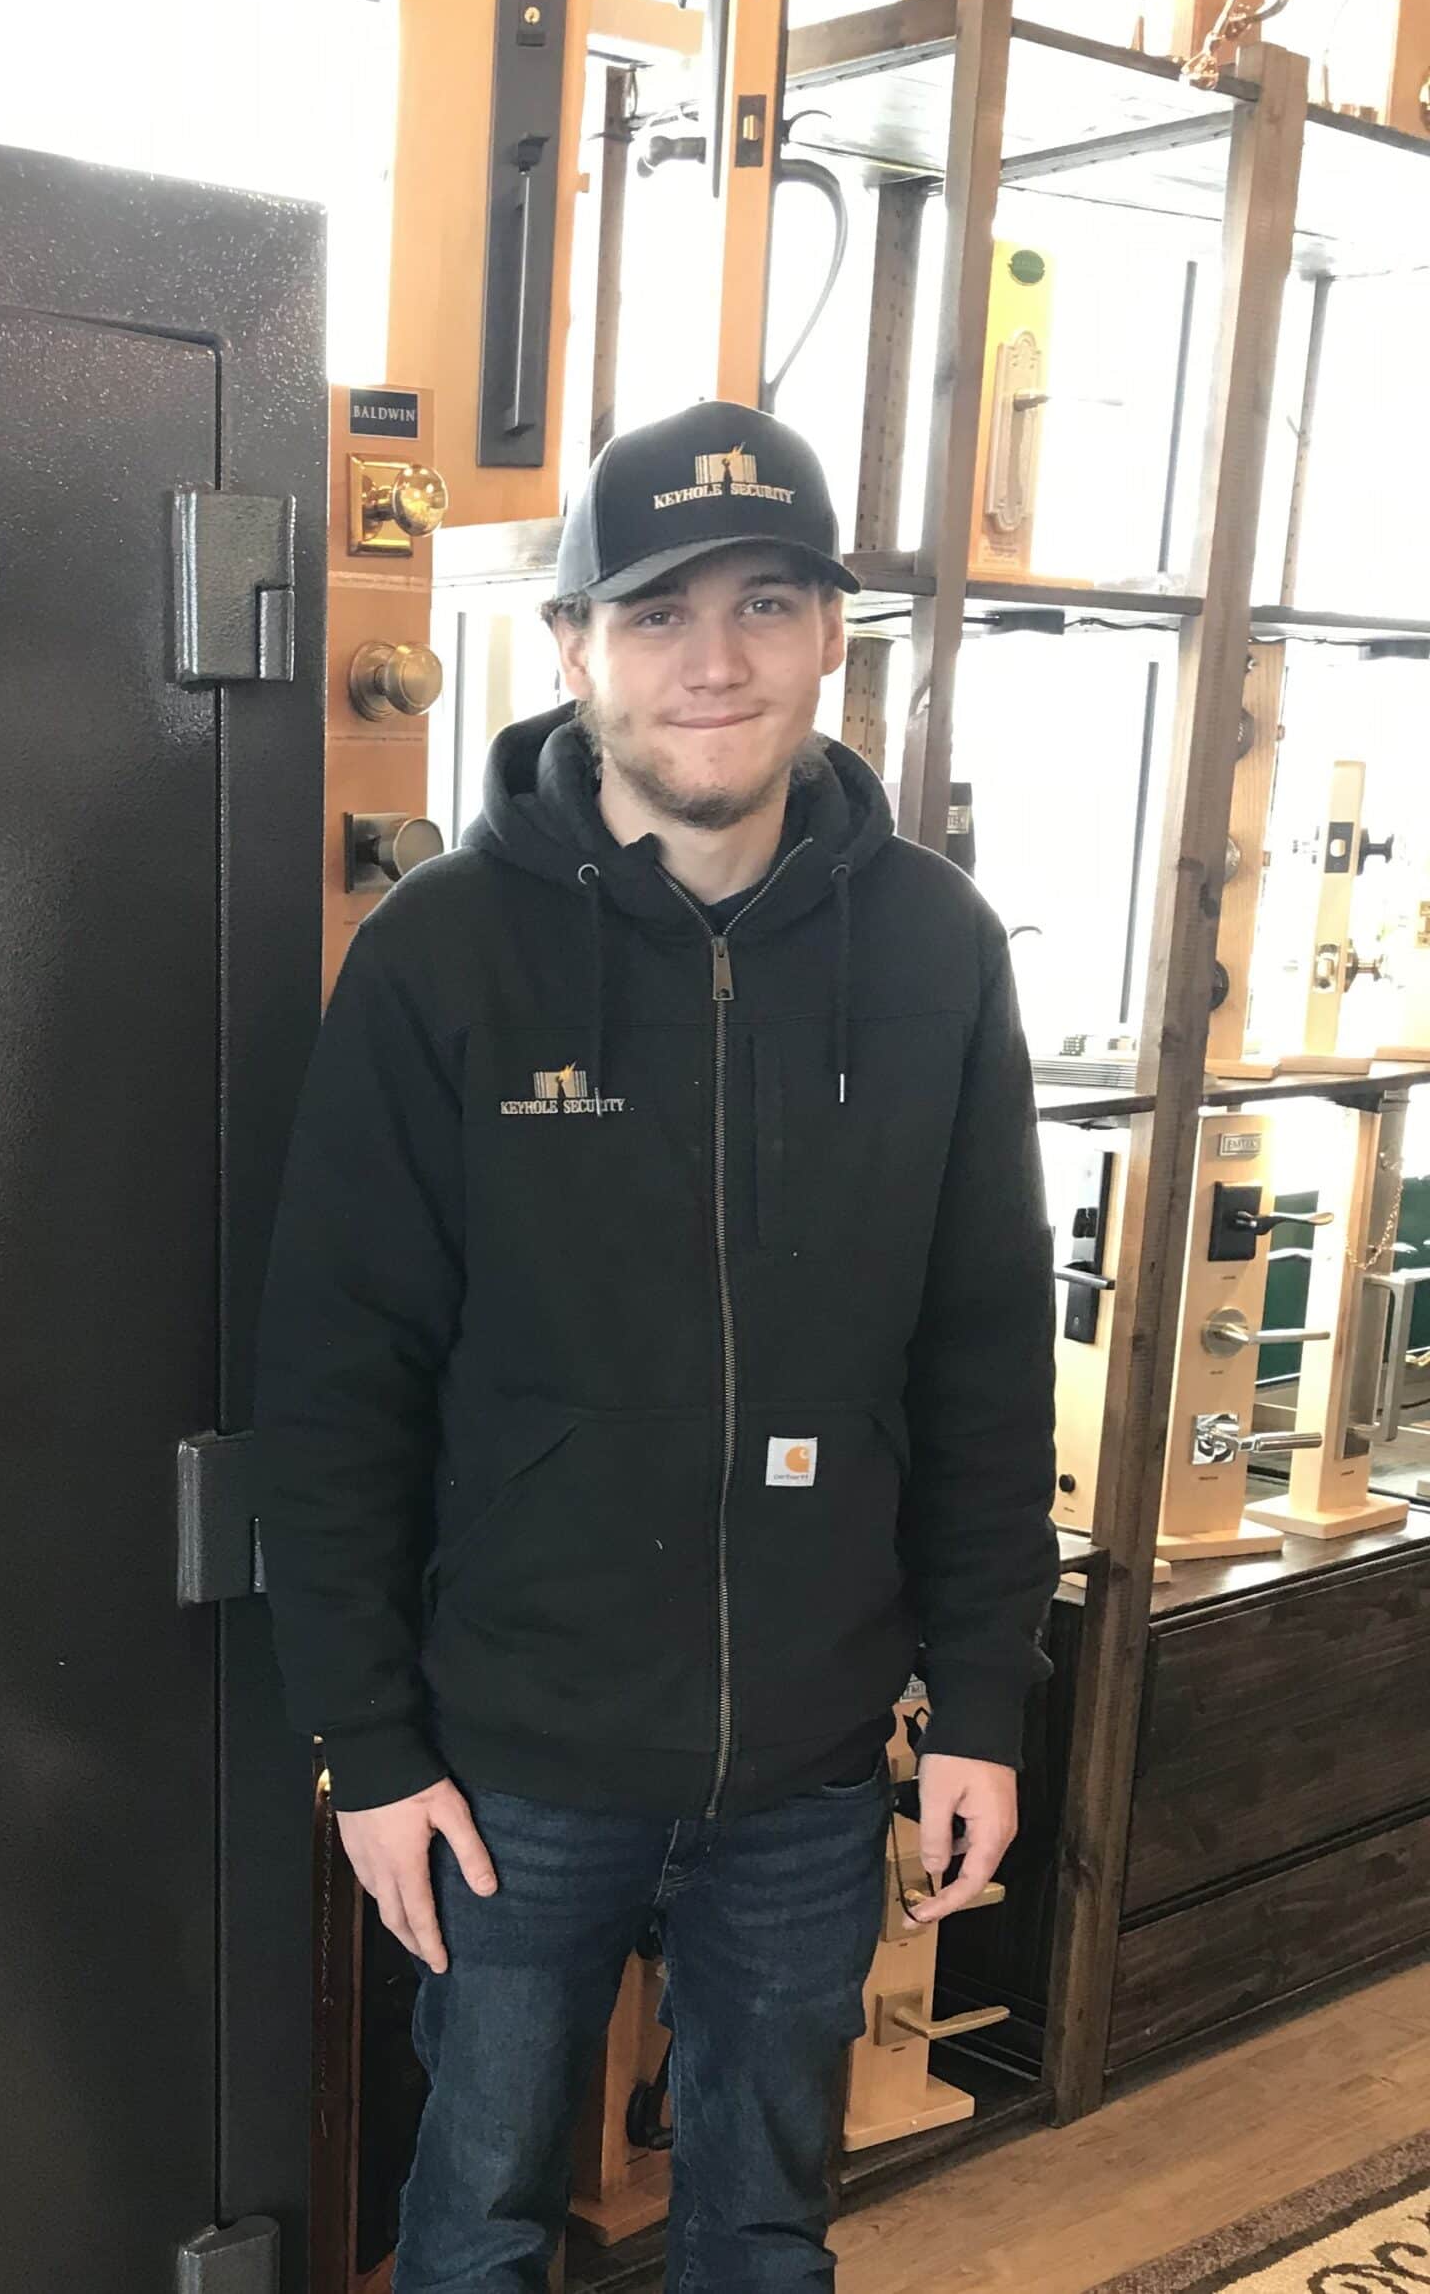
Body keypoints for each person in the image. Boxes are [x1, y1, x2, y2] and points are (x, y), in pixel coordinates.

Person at [254, 399, 1058, 2292]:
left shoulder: (939, 950)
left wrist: (988, 1703)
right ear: (571, 652)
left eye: (768, 601)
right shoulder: (442, 957)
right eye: (656, 610)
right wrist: (368, 1746)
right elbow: (332, 1376)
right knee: (474, 2222)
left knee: (766, 2228)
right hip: (510, 1759)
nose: (715, 661)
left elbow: (984, 1356)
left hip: (812, 1758)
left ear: (833, 635)